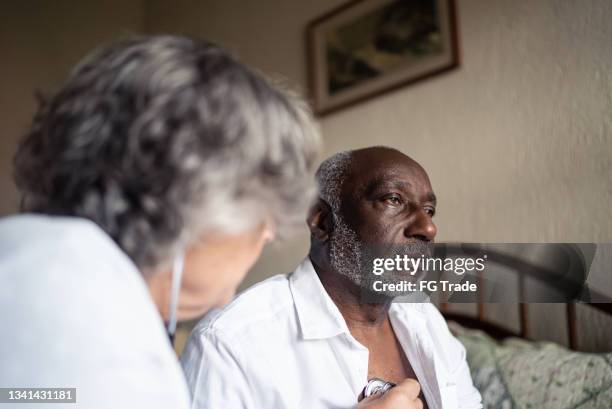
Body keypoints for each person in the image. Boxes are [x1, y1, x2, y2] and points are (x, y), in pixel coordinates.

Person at [0, 35, 320, 408]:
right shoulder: (106, 346)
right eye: (266, 223)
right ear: (206, 200)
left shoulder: (25, 254)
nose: (266, 237)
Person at [181, 147, 483, 409]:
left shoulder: (425, 320)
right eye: (393, 199)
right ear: (322, 221)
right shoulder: (231, 344)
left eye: (429, 210)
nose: (428, 228)